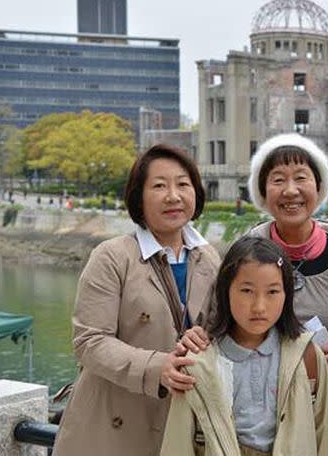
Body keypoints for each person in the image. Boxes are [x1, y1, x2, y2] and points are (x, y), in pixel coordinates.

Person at [180, 132, 328, 456]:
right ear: (263, 194)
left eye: (301, 178)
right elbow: (212, 325)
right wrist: (195, 339)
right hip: (253, 425)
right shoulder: (243, 255)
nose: (291, 190)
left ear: (319, 187)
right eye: (278, 179)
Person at [52, 144, 221, 456]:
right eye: (159, 185)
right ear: (138, 198)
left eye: (183, 184)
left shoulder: (210, 259)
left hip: (179, 422)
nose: (174, 195)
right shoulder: (113, 257)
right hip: (109, 426)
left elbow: (221, 331)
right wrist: (157, 368)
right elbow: (90, 341)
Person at [160, 236, 328, 455]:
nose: (259, 307)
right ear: (225, 291)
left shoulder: (307, 356)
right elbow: (178, 444)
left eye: (272, 292)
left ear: (287, 294)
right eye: (246, 291)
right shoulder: (198, 361)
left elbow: (324, 437)